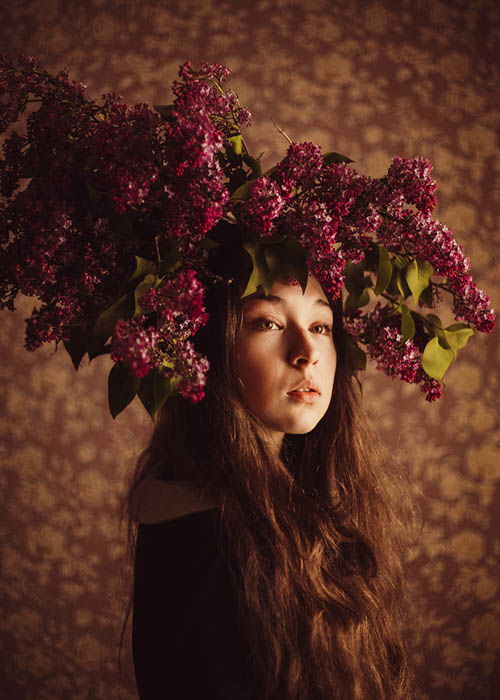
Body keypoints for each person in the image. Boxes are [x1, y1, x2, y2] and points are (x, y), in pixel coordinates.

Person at [119, 222, 418, 699]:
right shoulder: (202, 532)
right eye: (267, 323)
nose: (307, 354)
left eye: (320, 326)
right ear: (207, 350)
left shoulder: (309, 498)